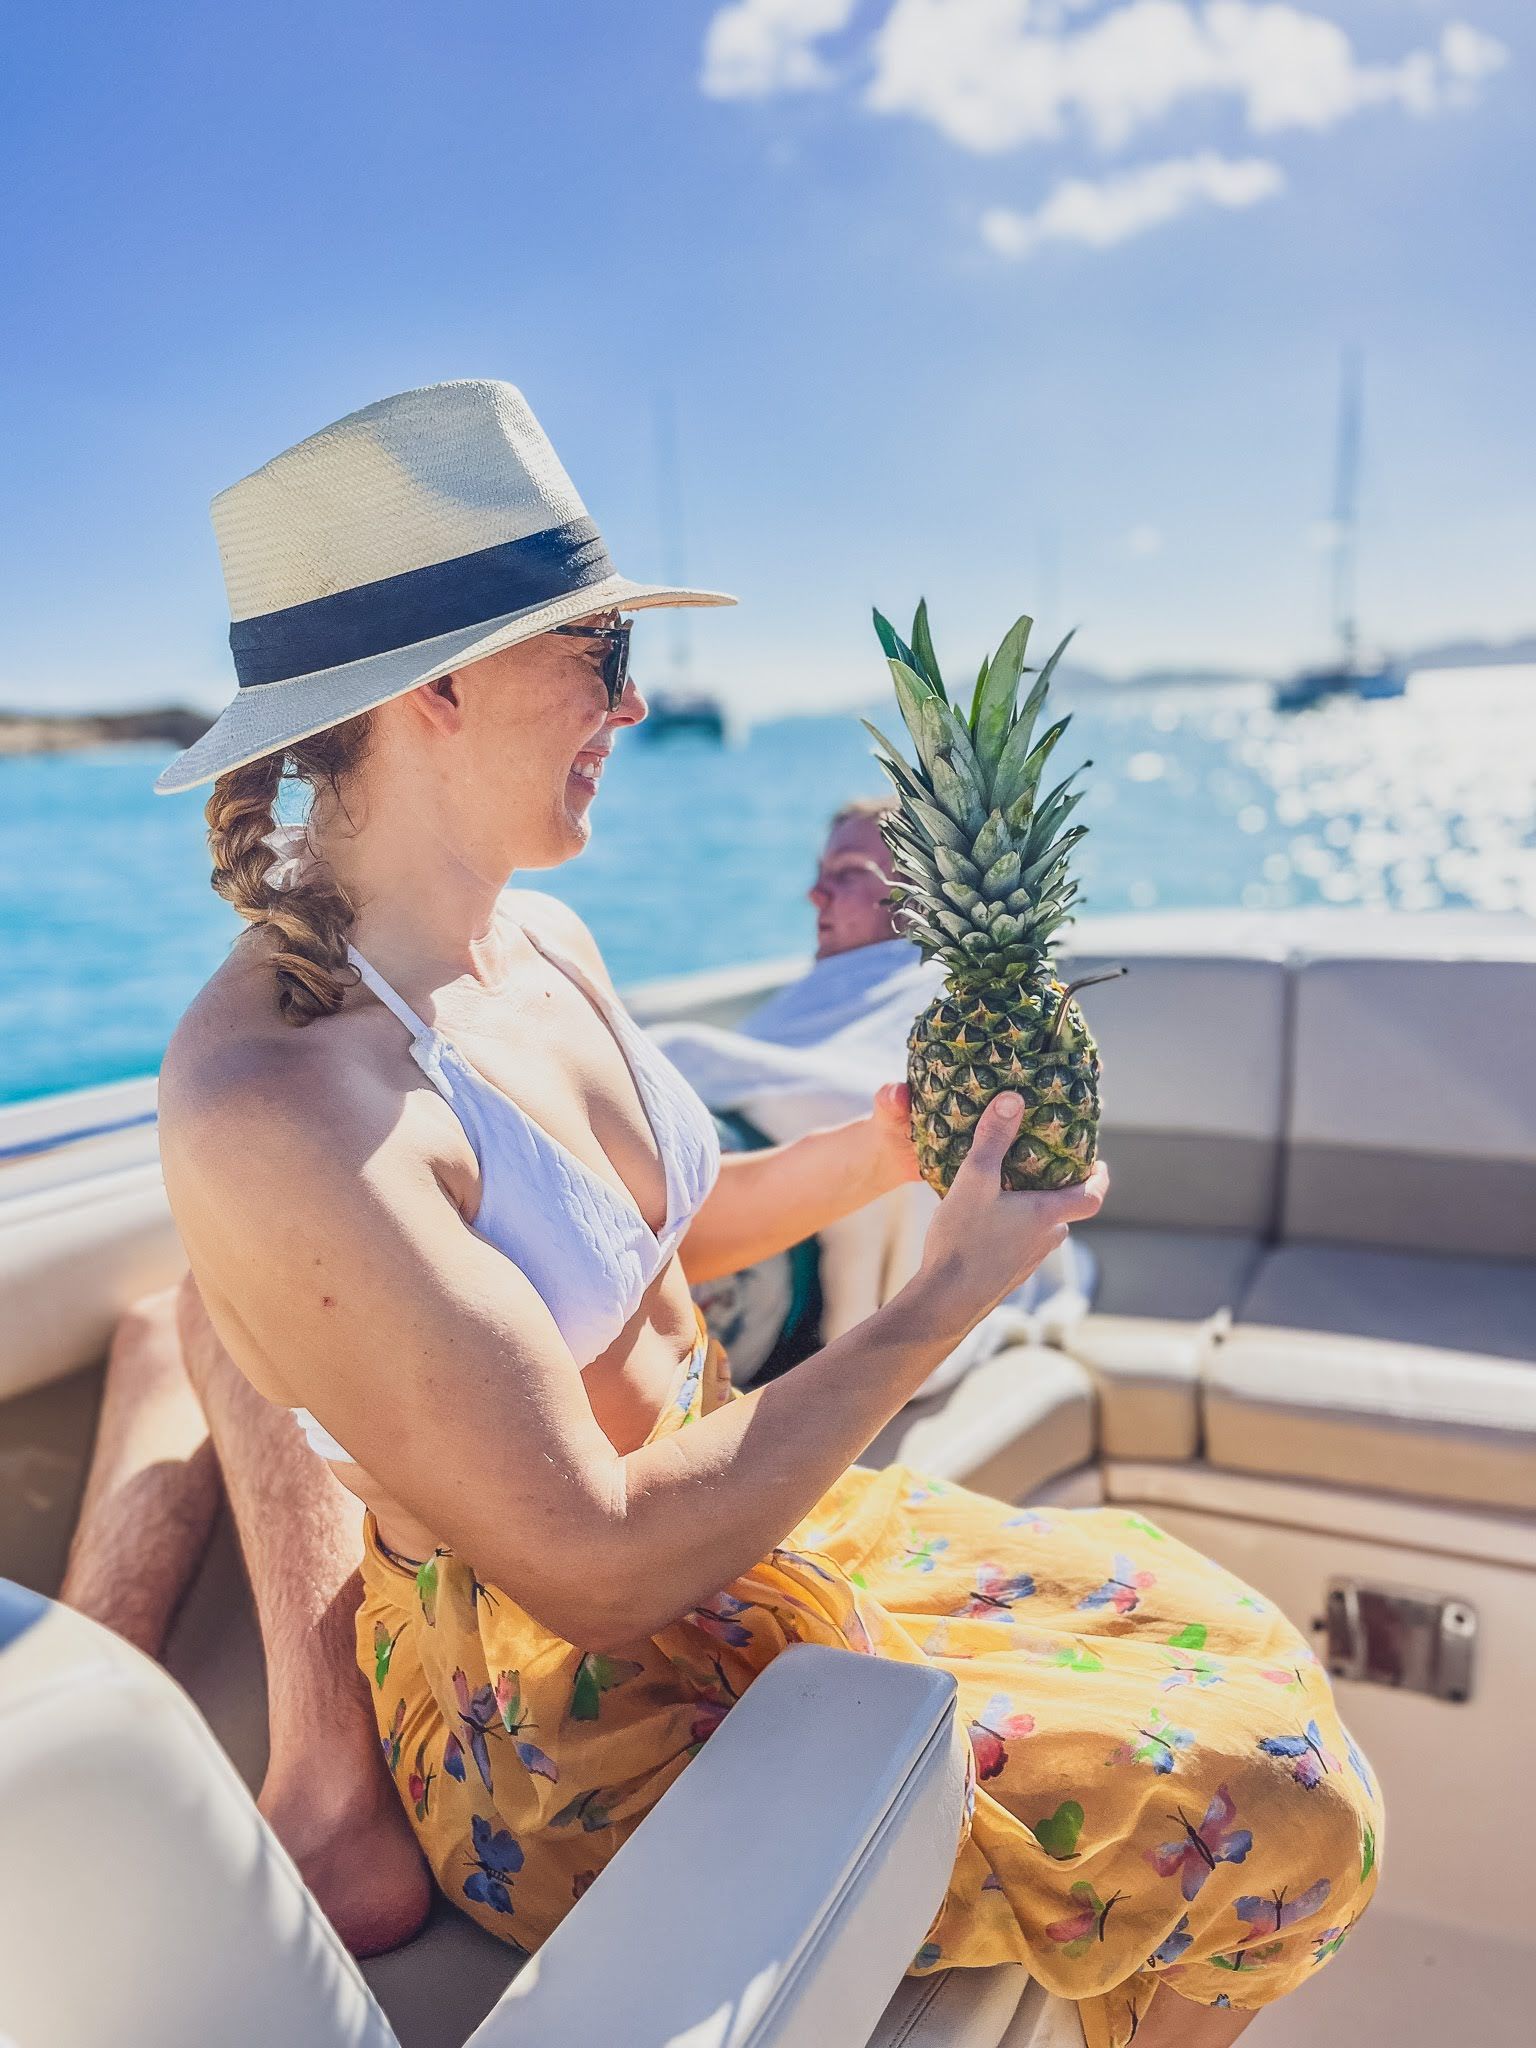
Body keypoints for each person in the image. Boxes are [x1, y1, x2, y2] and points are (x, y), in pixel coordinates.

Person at [133, 379, 1371, 2048]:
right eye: (602, 654)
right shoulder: (287, 1104)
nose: (634, 704)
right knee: (1290, 1809)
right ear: (437, 687)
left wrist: (887, 1148)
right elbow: (592, 1565)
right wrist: (939, 1301)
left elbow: (671, 1236)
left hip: (757, 1544)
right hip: (577, 1722)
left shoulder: (538, 935)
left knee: (1245, 1647)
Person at [655, 796, 1094, 1386]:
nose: (816, 894)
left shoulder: (961, 1006)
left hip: (741, 1256)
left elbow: (889, 1101)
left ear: (921, 895)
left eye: (846, 874)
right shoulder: (825, 990)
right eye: (821, 874)